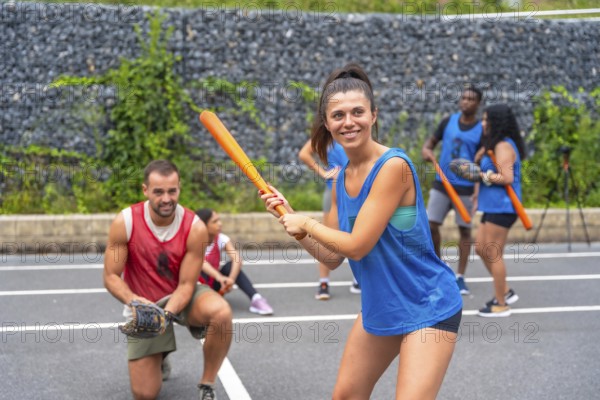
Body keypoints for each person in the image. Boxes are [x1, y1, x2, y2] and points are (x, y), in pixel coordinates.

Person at [260, 63, 462, 399]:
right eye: (338, 115)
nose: (348, 122)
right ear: (326, 124)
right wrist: (292, 221)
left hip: (428, 304)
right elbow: (333, 256)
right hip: (383, 304)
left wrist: (308, 223)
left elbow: (357, 246)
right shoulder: (341, 178)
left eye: (358, 112)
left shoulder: (393, 167)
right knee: (345, 396)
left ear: (374, 115)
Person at [103, 159, 232, 400]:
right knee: (145, 395)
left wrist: (164, 316)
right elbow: (111, 276)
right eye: (158, 192)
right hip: (143, 302)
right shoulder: (126, 222)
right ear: (145, 190)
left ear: (179, 188)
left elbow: (186, 285)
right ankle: (160, 356)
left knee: (221, 313)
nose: (166, 199)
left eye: (172, 191)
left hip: (180, 296)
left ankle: (207, 384)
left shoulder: (194, 227)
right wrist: (135, 302)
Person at [421, 85, 483, 295]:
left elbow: (480, 163)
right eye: (463, 98)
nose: (465, 101)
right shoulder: (448, 121)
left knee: (464, 230)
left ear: (478, 104)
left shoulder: (481, 129)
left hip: (465, 188)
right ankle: (439, 267)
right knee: (430, 225)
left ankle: (460, 276)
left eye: (470, 99)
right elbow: (430, 143)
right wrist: (427, 150)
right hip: (442, 182)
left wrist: (476, 190)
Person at [475, 104, 525, 317]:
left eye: (486, 120)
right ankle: (505, 290)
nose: (483, 123)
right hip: (492, 205)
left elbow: (506, 177)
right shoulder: (494, 144)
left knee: (493, 253)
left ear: (497, 122)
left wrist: (481, 175)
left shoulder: (504, 145)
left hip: (502, 206)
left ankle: (501, 304)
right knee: (480, 248)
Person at [298, 138, 361, 299]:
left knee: (359, 233)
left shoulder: (357, 134)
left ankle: (358, 279)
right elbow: (304, 154)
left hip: (358, 191)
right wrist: (323, 172)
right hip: (333, 190)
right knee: (328, 239)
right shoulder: (327, 136)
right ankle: (324, 282)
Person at [195, 208, 274, 315]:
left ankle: (256, 299)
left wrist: (230, 280)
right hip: (197, 285)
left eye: (219, 220)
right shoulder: (194, 240)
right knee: (195, 270)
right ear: (203, 225)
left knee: (230, 265)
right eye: (215, 222)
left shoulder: (220, 239)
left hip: (215, 284)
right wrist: (219, 277)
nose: (220, 224)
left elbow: (237, 259)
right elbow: (201, 262)